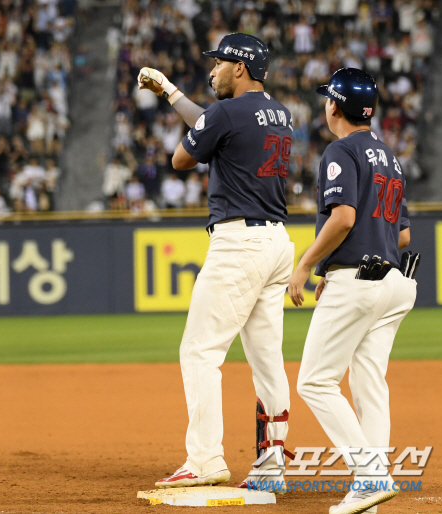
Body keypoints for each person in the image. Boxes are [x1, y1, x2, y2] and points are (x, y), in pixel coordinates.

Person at [138, 33, 295, 492]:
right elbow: (217, 122)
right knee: (267, 361)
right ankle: (272, 465)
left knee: (200, 351)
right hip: (277, 243)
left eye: (220, 62)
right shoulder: (279, 112)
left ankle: (205, 459)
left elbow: (182, 157)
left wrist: (176, 102)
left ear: (240, 68)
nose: (213, 70)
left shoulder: (226, 113)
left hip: (238, 244)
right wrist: (171, 93)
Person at [290, 68, 417, 514]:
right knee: (368, 384)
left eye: (328, 98)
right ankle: (373, 492)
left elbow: (343, 218)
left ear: (335, 106)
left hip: (358, 282)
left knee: (315, 382)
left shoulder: (340, 150)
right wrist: (335, 265)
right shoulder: (392, 157)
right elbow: (400, 237)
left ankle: (369, 475)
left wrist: (307, 264)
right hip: (395, 284)